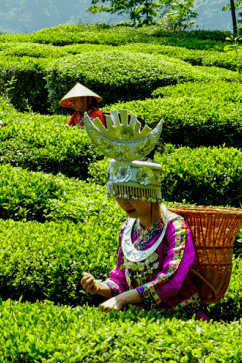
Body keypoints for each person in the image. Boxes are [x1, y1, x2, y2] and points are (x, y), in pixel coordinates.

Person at [79, 111, 205, 319]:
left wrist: (123, 299)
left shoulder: (176, 228)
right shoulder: (129, 229)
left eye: (132, 194)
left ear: (150, 191)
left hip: (181, 319)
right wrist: (100, 287)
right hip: (141, 317)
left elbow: (171, 280)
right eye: (119, 195)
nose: (124, 203)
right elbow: (121, 279)